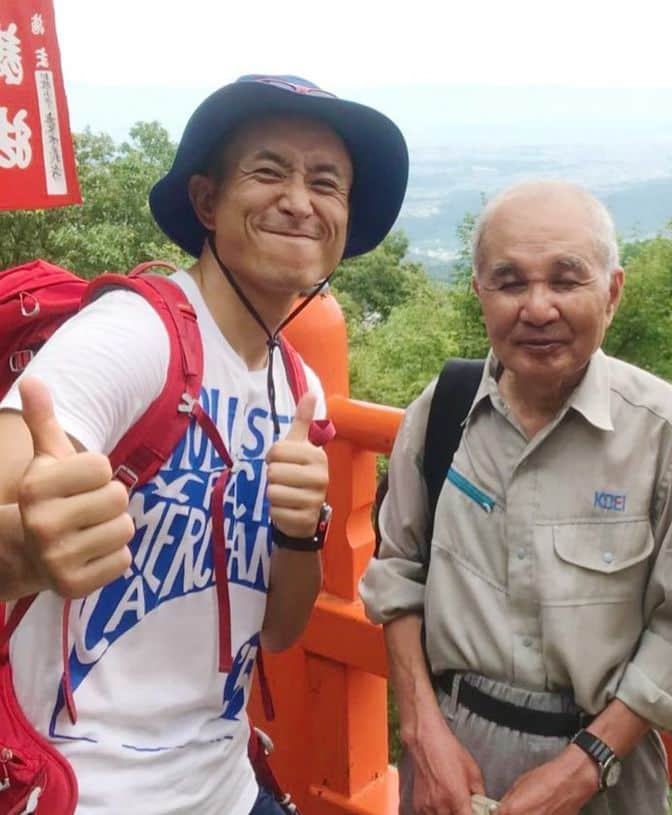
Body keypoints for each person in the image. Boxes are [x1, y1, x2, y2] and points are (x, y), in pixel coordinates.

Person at [0, 74, 408, 814]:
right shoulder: (133, 335)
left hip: (226, 785)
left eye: (327, 182)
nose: (299, 199)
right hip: (82, 793)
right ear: (206, 202)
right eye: (268, 170)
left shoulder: (298, 386)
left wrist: (300, 529)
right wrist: (21, 544)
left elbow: (279, 631)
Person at [361, 180, 672, 815]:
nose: (538, 307)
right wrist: (422, 729)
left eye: (565, 278)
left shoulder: (660, 428)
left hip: (606, 767)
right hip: (453, 757)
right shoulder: (441, 412)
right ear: (480, 294)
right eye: (510, 282)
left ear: (612, 291)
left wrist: (583, 769)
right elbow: (398, 576)